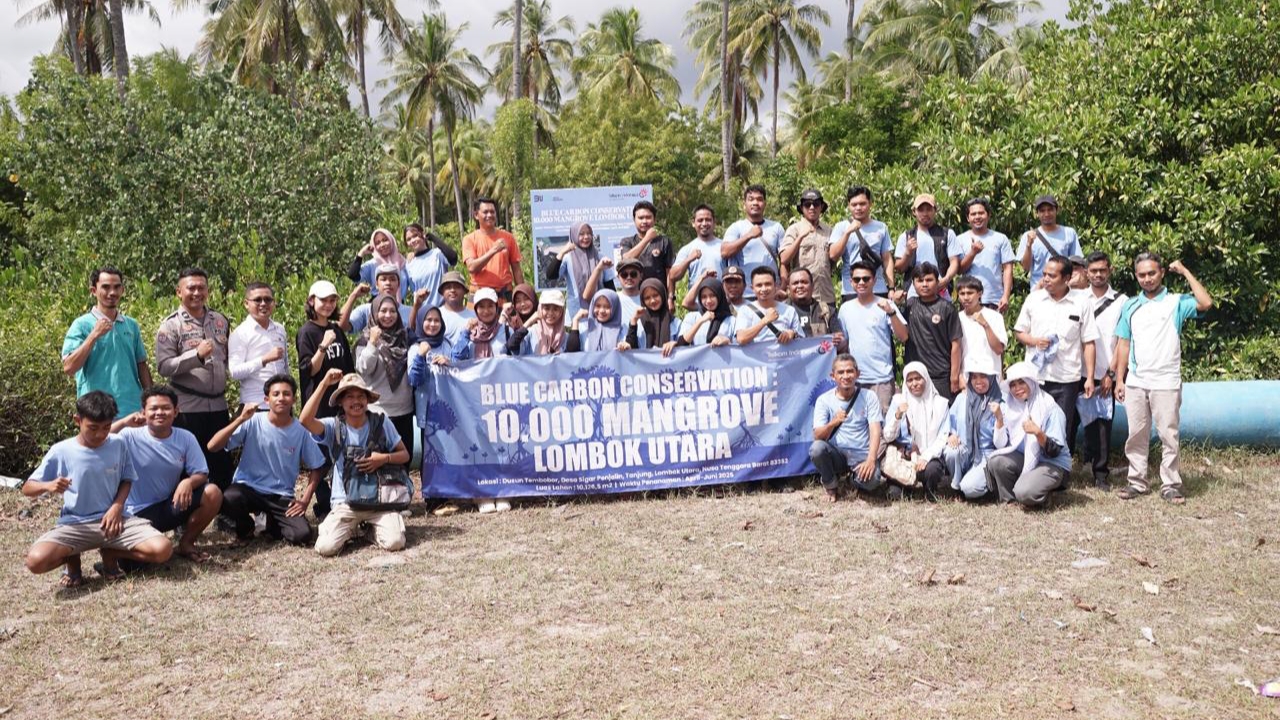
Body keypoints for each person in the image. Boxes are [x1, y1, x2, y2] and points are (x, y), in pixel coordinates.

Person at [22, 391, 172, 587]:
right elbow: (27, 488)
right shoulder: (62, 450)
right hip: (75, 524)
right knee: (36, 562)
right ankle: (72, 559)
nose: (100, 434)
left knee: (163, 550)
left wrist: (117, 507)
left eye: (106, 427)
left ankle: (110, 553)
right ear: (77, 420)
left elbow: (127, 479)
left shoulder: (118, 443)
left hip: (114, 523)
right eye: (93, 428)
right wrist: (47, 485)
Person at [1114, 254, 1212, 505]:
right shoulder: (1130, 305)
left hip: (1166, 381)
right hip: (1136, 381)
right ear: (1136, 276)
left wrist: (1185, 271)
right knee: (1136, 434)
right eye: (1142, 275)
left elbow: (1206, 302)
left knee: (1169, 434)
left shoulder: (1175, 302)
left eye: (1152, 273)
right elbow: (1123, 343)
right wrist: (1120, 379)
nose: (1147, 279)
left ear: (1162, 273)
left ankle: (1170, 484)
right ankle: (1137, 482)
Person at [301, 370, 411, 556]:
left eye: (361, 396)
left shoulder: (381, 422)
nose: (356, 401)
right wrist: (324, 384)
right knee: (326, 547)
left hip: (379, 502)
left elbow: (405, 455)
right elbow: (305, 420)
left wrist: (383, 459)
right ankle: (351, 529)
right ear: (340, 402)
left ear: (367, 400)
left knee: (396, 542)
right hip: (345, 502)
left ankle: (369, 532)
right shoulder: (333, 426)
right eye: (349, 397)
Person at [208, 375, 326, 545]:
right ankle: (246, 527)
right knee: (229, 498)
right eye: (275, 394)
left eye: (286, 394)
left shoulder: (300, 431)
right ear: (266, 399)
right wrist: (240, 419)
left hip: (280, 495)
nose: (281, 398)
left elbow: (317, 466)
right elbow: (212, 446)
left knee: (302, 535)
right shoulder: (252, 421)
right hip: (248, 489)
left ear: (294, 400)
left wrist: (305, 500)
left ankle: (271, 524)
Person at [111, 385, 222, 563]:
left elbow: (201, 472)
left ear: (176, 411)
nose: (159, 413)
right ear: (143, 412)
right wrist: (124, 422)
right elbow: (97, 440)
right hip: (135, 513)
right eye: (153, 408)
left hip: (168, 506)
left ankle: (186, 543)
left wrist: (187, 482)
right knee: (136, 564)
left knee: (212, 493)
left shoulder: (185, 437)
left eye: (166, 408)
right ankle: (113, 553)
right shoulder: (129, 436)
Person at [154, 268, 232, 489]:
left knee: (221, 463)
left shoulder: (220, 320)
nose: (197, 293)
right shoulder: (171, 325)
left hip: (218, 405)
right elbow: (164, 366)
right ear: (179, 292)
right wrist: (196, 356)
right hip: (189, 408)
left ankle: (222, 506)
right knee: (188, 466)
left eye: (201, 288)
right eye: (191, 288)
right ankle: (189, 508)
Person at [1013, 256, 1098, 458]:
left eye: (1052, 276)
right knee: (1033, 423)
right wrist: (1034, 341)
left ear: (1067, 278)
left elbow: (1088, 342)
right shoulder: (1034, 299)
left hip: (1066, 378)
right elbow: (1019, 332)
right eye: (1044, 274)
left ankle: (1058, 469)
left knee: (1061, 426)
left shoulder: (1082, 302)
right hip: (1035, 377)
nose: (1046, 279)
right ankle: (1032, 464)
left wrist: (1090, 377)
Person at [296, 279, 355, 519]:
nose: (328, 305)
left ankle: (344, 499)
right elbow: (308, 370)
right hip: (318, 404)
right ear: (312, 301)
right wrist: (323, 346)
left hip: (340, 403)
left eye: (332, 300)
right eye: (323, 300)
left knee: (342, 453)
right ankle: (323, 505)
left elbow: (349, 366)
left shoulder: (337, 330)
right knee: (320, 459)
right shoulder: (307, 332)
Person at [62, 267, 152, 419]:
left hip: (132, 410)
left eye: (117, 287)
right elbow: (69, 367)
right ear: (93, 290)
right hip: (96, 413)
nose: (112, 292)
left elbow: (141, 366)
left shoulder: (131, 325)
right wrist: (94, 335)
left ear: (122, 290)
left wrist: (152, 401)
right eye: (105, 287)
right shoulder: (81, 325)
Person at [985, 361, 1071, 508]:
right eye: (1013, 385)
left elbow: (1055, 451)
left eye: (1021, 382)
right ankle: (1010, 501)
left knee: (1023, 491)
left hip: (1052, 464)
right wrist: (999, 419)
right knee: (997, 461)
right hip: (1025, 458)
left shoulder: (1050, 408)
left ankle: (1043, 495)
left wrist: (1037, 432)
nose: (1017, 388)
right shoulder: (1009, 406)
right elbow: (1000, 445)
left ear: (1031, 382)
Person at [1078, 251, 1127, 490]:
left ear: (1110, 271)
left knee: (1102, 426)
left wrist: (1112, 374)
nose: (1098, 274)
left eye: (1102, 270)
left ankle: (1100, 475)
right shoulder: (1077, 298)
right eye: (1093, 270)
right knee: (1072, 423)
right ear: (1086, 272)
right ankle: (1072, 467)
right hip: (1076, 372)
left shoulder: (1122, 301)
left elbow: (1122, 340)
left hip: (1105, 372)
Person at [835, 261, 908, 413]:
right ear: (851, 282)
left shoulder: (886, 304)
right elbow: (844, 344)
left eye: (866, 279)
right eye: (857, 279)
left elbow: (903, 336)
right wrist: (834, 342)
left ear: (874, 280)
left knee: (883, 425)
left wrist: (891, 312)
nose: (861, 282)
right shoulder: (845, 309)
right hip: (855, 379)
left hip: (881, 380)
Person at [809, 354, 884, 502]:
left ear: (858, 374)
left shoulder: (869, 396)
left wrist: (871, 459)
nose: (846, 376)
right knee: (816, 449)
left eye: (850, 371)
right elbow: (817, 436)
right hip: (838, 455)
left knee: (873, 480)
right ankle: (831, 485)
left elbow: (875, 430)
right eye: (841, 372)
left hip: (861, 456)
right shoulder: (824, 400)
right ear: (833, 376)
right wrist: (833, 423)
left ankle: (852, 481)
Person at [354, 293, 415, 464]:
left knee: (403, 463)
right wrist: (372, 343)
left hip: (404, 412)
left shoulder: (405, 338)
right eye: (383, 311)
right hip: (377, 413)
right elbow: (364, 369)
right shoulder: (365, 340)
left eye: (392, 311)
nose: (388, 315)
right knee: (376, 465)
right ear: (374, 313)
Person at [884, 362, 951, 501]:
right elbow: (888, 436)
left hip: (928, 458)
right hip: (905, 458)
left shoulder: (940, 403)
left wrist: (926, 457)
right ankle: (907, 486)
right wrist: (897, 416)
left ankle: (929, 489)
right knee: (895, 495)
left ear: (926, 378)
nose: (914, 384)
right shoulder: (898, 401)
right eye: (910, 380)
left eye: (918, 378)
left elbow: (943, 437)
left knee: (932, 471)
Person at [903, 263, 963, 402]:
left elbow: (956, 344)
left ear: (937, 282)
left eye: (929, 280)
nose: (925, 284)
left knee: (943, 413)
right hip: (916, 376)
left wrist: (954, 376)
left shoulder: (947, 308)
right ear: (913, 283)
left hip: (941, 375)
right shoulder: (908, 306)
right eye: (920, 281)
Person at [228, 282, 290, 411]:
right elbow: (234, 372)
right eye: (257, 300)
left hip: (282, 404)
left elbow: (285, 367)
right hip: (256, 405)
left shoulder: (279, 329)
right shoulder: (240, 333)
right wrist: (264, 360)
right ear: (246, 303)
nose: (263, 304)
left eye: (268, 299)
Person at [830, 185, 895, 301]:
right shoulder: (841, 227)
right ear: (848, 205)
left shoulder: (881, 227)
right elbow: (833, 255)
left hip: (878, 289)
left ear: (870, 204)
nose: (858, 208)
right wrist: (848, 232)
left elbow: (887, 259)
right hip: (851, 290)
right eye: (854, 205)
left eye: (862, 204)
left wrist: (891, 287)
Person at [943, 373, 1002, 500]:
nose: (978, 381)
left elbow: (1002, 442)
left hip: (987, 454)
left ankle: (990, 484)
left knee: (970, 488)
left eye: (983, 376)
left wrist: (999, 418)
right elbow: (949, 422)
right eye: (974, 377)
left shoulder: (999, 402)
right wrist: (952, 434)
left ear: (991, 378)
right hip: (966, 449)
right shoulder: (962, 399)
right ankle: (957, 487)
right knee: (950, 452)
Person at [721, 184, 785, 300]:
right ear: (744, 204)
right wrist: (749, 235)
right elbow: (725, 252)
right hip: (745, 294)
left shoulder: (776, 227)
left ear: (765, 204)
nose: (755, 203)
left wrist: (783, 286)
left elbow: (784, 261)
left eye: (759, 199)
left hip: (772, 293)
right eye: (751, 199)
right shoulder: (736, 227)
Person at [895, 194, 961, 299]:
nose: (925, 213)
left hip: (941, 291)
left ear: (935, 210)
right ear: (914, 212)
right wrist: (907, 253)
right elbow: (899, 269)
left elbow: (954, 262)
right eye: (921, 210)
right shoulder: (906, 236)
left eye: (929, 209)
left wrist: (945, 280)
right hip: (914, 294)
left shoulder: (947, 234)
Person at [956, 198, 1015, 312]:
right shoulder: (960, 240)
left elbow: (1008, 268)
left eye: (981, 213)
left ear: (988, 215)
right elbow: (959, 270)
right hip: (968, 299)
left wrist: (1006, 296)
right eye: (973, 214)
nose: (977, 217)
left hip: (994, 299)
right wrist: (973, 253)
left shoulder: (1000, 238)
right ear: (968, 218)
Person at [780, 189, 835, 306]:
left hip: (826, 295)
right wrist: (800, 237)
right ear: (802, 208)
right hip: (801, 296)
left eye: (816, 204)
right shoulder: (794, 229)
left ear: (821, 207)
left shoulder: (829, 230)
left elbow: (833, 260)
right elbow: (784, 259)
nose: (812, 207)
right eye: (807, 204)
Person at [549, 221, 613, 320]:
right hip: (576, 314)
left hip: (600, 313)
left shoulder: (600, 257)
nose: (586, 237)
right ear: (574, 235)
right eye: (581, 234)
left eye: (589, 233)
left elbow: (610, 286)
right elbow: (551, 275)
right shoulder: (568, 258)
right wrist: (562, 252)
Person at [462, 197, 522, 300]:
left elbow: (516, 270)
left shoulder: (508, 237)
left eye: (492, 212)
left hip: (504, 295)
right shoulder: (469, 239)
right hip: (478, 296)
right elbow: (472, 267)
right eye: (485, 212)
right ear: (476, 215)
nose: (489, 215)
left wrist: (521, 293)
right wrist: (494, 250)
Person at [1016, 195, 1082, 289]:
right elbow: (1025, 267)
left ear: (1057, 210)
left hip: (1063, 290)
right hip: (1039, 290)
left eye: (1050, 210)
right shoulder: (1028, 236)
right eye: (1042, 211)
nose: (1046, 214)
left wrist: (1071, 283)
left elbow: (1077, 264)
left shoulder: (1069, 233)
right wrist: (1029, 245)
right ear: (1037, 214)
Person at [341, 264, 415, 337]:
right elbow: (341, 326)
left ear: (398, 284)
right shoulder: (366, 310)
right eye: (383, 279)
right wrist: (353, 296)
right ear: (376, 284)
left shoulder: (410, 312)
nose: (388, 283)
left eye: (392, 279)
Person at [955, 275, 1007, 379]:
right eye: (962, 294)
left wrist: (985, 325)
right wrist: (959, 376)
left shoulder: (995, 317)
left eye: (970, 293)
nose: (966, 297)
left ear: (980, 294)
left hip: (991, 375)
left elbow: (999, 349)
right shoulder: (957, 318)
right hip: (967, 377)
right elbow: (956, 351)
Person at [735, 267, 800, 345]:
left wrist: (792, 334)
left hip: (784, 352)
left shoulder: (789, 310)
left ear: (775, 286)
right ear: (752, 288)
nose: (764, 289)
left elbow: (803, 340)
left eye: (768, 284)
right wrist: (765, 320)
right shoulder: (745, 310)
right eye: (759, 285)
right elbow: (741, 338)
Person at [617, 201, 674, 286]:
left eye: (648, 217)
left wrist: (670, 293)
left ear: (654, 219)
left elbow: (669, 272)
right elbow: (626, 259)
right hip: (635, 291)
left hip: (658, 291)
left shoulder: (664, 242)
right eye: (641, 218)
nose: (644, 221)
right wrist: (647, 239)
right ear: (634, 220)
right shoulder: (627, 241)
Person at [402, 223, 457, 309]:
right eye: (409, 239)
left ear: (422, 234)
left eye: (415, 236)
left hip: (443, 309)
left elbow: (453, 258)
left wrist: (432, 237)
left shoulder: (437, 254)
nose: (413, 240)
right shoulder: (409, 264)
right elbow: (411, 290)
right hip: (422, 311)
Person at [669, 205, 722, 291]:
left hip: (720, 297)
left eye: (708, 220)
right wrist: (689, 259)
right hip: (695, 298)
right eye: (700, 220)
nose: (704, 224)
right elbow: (673, 276)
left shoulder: (724, 247)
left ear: (714, 222)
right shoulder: (687, 249)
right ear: (693, 223)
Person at [346, 228, 408, 298]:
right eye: (378, 243)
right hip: (378, 302)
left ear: (391, 240)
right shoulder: (373, 264)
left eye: (385, 240)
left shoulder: (403, 262)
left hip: (399, 303)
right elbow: (353, 275)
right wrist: (361, 253)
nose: (382, 245)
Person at [788, 268, 843, 346]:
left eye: (804, 282)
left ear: (812, 286)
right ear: (789, 288)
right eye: (795, 283)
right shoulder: (781, 312)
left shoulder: (827, 311)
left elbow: (841, 340)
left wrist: (839, 341)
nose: (800, 286)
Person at [506, 290, 571, 356]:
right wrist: (530, 321)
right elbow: (512, 345)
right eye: (547, 308)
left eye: (555, 309)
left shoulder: (566, 337)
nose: (551, 313)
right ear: (540, 309)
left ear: (561, 312)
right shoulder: (532, 332)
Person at [626, 279, 680, 356]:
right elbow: (631, 348)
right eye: (647, 298)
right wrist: (633, 321)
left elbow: (685, 345)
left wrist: (675, 344)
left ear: (662, 294)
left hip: (669, 363)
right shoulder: (639, 323)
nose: (652, 301)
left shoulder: (675, 323)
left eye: (655, 295)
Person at [676, 277, 735, 347]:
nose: (708, 301)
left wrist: (727, 340)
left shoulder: (731, 320)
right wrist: (700, 321)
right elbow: (681, 343)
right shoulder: (692, 317)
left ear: (719, 295)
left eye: (712, 295)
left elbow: (738, 345)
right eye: (704, 297)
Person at [457, 288, 511, 360]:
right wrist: (466, 332)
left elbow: (518, 359)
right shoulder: (469, 332)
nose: (486, 311)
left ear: (496, 307)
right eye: (481, 307)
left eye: (490, 306)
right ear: (476, 309)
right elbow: (457, 358)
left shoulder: (506, 331)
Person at [427, 271, 475, 341]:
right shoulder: (435, 316)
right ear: (442, 292)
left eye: (457, 287)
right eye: (448, 287)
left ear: (464, 291)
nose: (452, 290)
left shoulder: (474, 316)